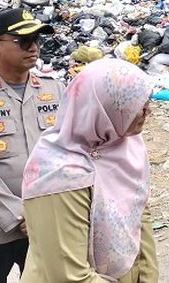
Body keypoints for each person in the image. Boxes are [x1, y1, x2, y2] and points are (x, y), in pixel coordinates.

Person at [19, 58, 158, 283]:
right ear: (106, 107)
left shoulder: (127, 147)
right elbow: (69, 276)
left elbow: (140, 217)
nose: (147, 112)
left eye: (147, 102)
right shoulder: (59, 173)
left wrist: (148, 277)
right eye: (137, 106)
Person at [0, 8, 64, 283]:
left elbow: (69, 152)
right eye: (23, 41)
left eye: (36, 40)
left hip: (46, 223)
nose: (34, 48)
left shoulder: (54, 90)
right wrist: (19, 215)